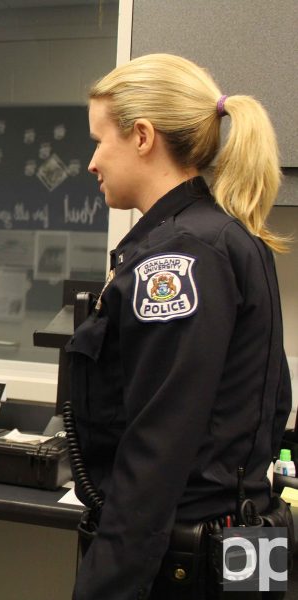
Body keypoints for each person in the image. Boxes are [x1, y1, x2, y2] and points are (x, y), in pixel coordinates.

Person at [66, 54, 292, 599]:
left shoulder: (177, 257)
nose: (93, 162)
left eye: (100, 141)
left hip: (189, 558)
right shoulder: (228, 237)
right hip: (251, 539)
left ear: (142, 136)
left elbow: (156, 453)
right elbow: (272, 402)